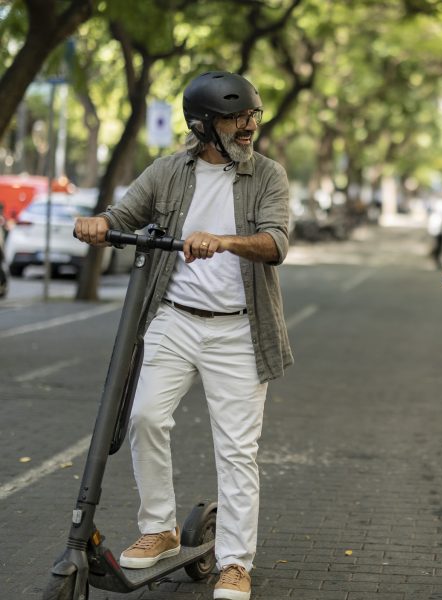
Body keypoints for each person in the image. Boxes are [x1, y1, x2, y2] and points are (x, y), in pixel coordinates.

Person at [74, 70, 293, 600]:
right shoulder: (169, 171)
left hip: (239, 328)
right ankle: (161, 529)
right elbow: (124, 213)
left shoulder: (266, 175)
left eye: (252, 117)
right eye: (236, 118)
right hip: (174, 318)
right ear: (204, 125)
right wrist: (100, 223)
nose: (248, 127)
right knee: (145, 415)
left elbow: (276, 242)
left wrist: (223, 241)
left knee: (237, 448)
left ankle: (236, 561)